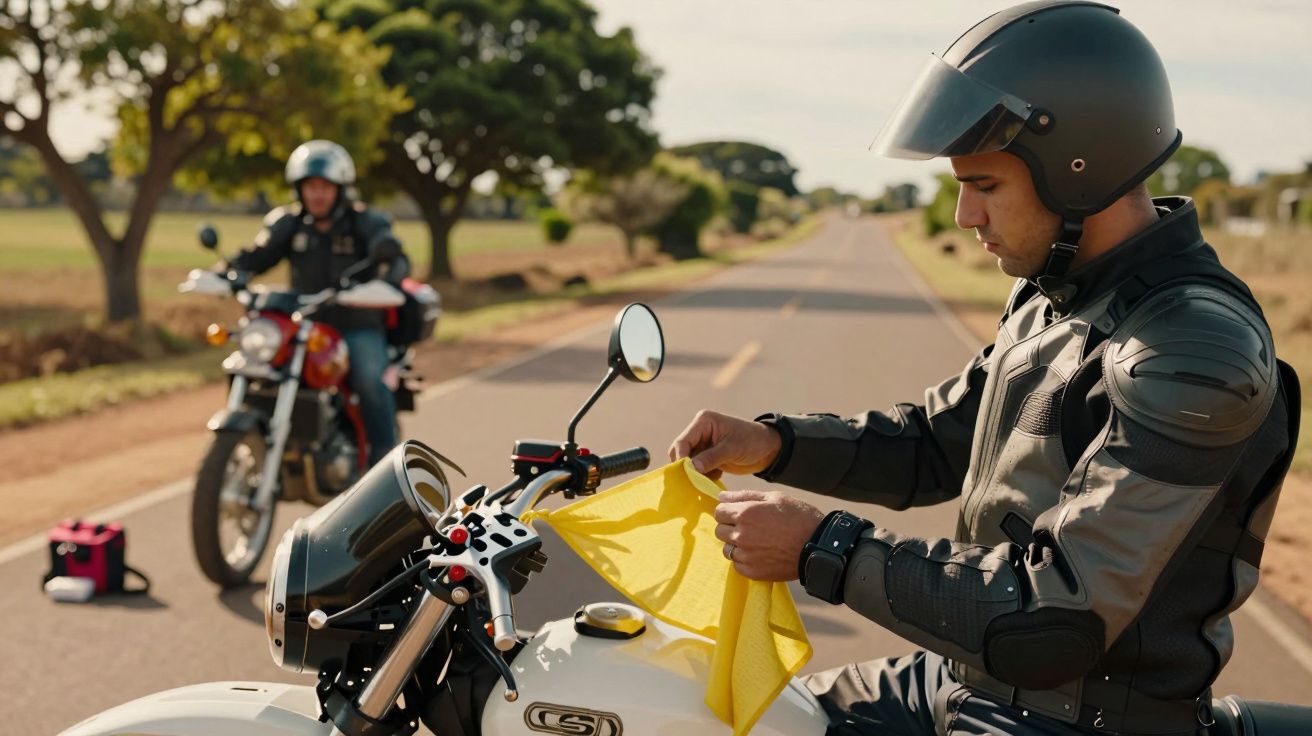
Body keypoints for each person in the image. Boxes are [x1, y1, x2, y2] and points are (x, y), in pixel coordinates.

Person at [670, 2, 1301, 735]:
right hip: (964, 673)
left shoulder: (1191, 352)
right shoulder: (1054, 294)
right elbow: (937, 444)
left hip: (1071, 714)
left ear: (1079, 172)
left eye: (986, 186)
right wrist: (775, 445)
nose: (966, 215)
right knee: (726, 716)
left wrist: (820, 548)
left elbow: (1058, 614)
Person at [226, 140, 410, 466]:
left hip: (357, 325)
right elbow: (257, 255)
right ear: (299, 189)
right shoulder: (290, 223)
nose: (318, 194)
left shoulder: (366, 223)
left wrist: (384, 281)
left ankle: (388, 464)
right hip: (306, 324)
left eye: (325, 186)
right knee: (256, 364)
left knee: (368, 379)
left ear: (341, 189)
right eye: (310, 186)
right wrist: (227, 273)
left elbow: (394, 259)